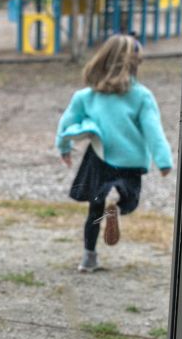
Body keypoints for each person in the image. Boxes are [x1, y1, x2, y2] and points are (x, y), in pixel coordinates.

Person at [55, 33, 173, 272]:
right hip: (129, 161)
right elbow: (153, 131)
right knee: (130, 200)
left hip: (99, 158)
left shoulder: (85, 96)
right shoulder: (141, 96)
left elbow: (66, 124)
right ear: (134, 64)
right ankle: (117, 210)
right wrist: (163, 161)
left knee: (94, 208)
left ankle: (88, 258)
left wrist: (64, 147)